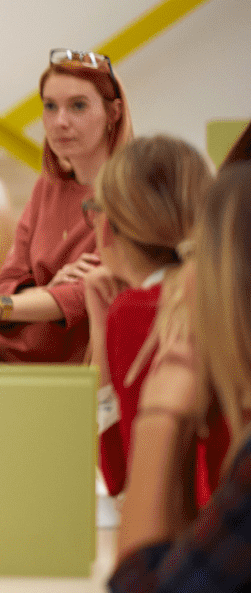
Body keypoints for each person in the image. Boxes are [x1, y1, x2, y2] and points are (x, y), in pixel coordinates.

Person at [0, 48, 134, 363]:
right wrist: (46, 293)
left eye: (78, 106)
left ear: (114, 113)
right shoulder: (49, 186)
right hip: (5, 348)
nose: (59, 121)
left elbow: (83, 296)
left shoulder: (129, 197)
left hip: (59, 372)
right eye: (50, 107)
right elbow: (5, 280)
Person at [109, 161, 251, 591]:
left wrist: (159, 416)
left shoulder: (135, 310)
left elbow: (143, 583)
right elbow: (183, 564)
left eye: (199, 258)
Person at [82, 136, 226, 508]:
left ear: (108, 228)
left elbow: (120, 475)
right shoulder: (223, 290)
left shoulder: (139, 311)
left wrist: (102, 328)